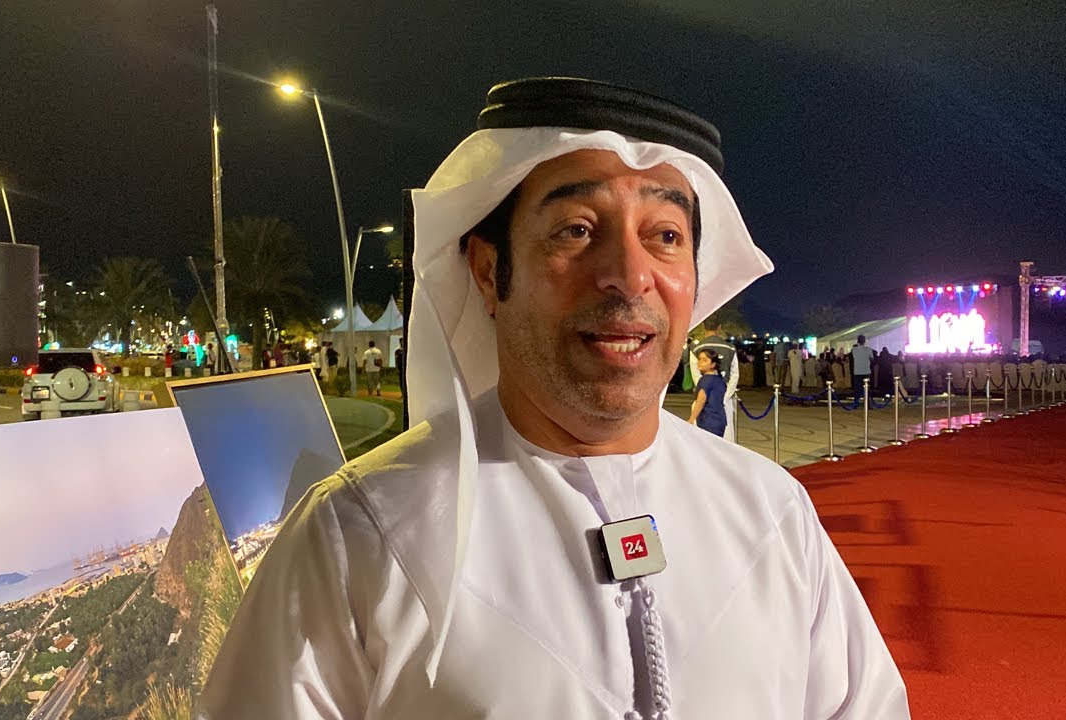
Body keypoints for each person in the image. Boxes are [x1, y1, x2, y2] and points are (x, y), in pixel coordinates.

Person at [199, 77, 908, 719]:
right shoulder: (360, 533)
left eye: (665, 236)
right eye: (576, 230)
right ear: (488, 272)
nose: (628, 275)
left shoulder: (771, 514)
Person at [688, 318, 739, 441]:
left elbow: (695, 374)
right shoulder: (730, 348)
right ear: (719, 327)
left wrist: (704, 389)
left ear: (703, 326)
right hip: (724, 399)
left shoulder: (696, 349)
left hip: (704, 401)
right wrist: (725, 397)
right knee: (725, 440)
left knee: (701, 440)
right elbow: (735, 375)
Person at [688, 349, 727, 436]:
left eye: (705, 360)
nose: (700, 362)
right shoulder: (720, 380)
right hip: (720, 420)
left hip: (708, 421)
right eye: (699, 359)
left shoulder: (705, 380)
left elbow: (701, 401)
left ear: (713, 364)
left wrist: (691, 419)